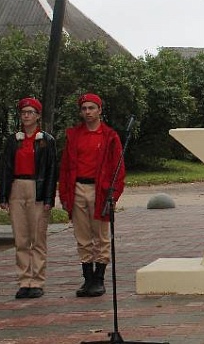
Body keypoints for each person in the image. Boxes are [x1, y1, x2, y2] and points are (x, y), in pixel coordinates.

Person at [59, 93, 125, 298]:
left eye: (91, 108)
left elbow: (118, 168)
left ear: (99, 110)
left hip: (100, 190)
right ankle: (87, 279)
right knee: (82, 236)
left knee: (101, 236)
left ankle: (99, 279)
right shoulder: (74, 135)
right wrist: (64, 194)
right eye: (84, 108)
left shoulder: (110, 136)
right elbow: (65, 166)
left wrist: (113, 194)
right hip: (78, 187)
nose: (87, 112)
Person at [0, 97, 57, 299]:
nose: (26, 115)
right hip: (17, 187)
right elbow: (5, 168)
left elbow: (51, 172)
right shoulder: (13, 140)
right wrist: (3, 194)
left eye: (31, 112)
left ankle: (37, 281)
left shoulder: (46, 141)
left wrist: (49, 197)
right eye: (24, 112)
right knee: (21, 238)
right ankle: (24, 281)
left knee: (37, 238)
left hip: (37, 188)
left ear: (38, 115)